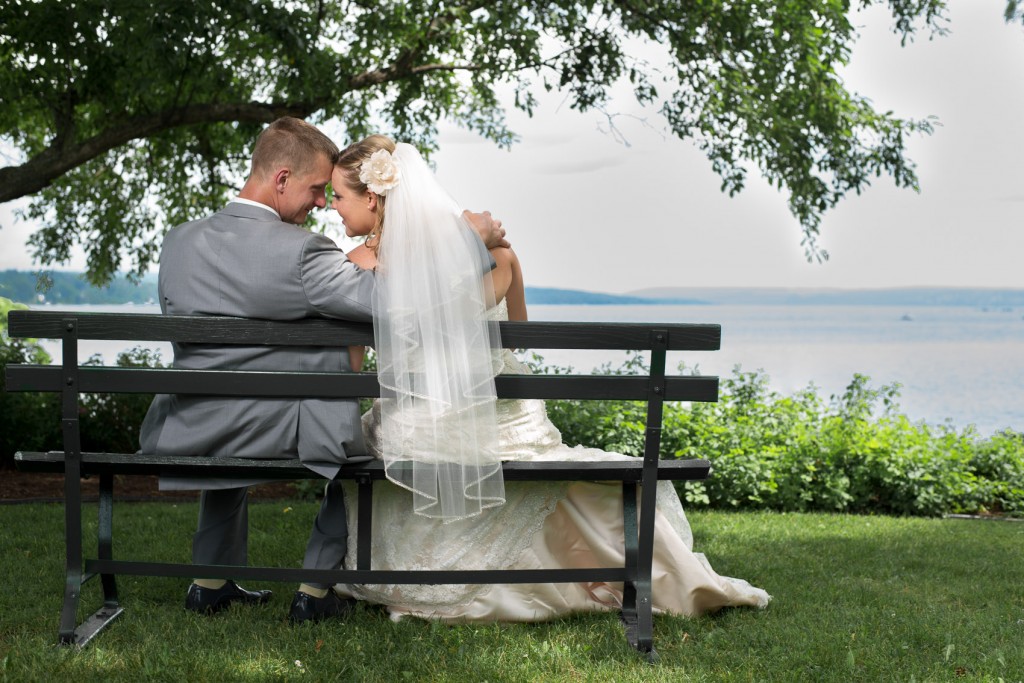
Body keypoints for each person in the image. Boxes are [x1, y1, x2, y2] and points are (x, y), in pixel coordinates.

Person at [329, 136, 771, 622]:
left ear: (372, 198)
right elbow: (515, 339)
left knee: (381, 434)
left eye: (339, 197)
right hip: (508, 420)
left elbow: (354, 368)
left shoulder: (359, 268)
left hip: (417, 429)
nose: (334, 209)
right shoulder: (500, 255)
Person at [138, 118, 508, 624]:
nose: (319, 205)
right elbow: (398, 303)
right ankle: (315, 589)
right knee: (349, 434)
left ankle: (209, 583)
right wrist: (468, 240)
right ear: (282, 178)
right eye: (316, 190)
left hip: (190, 425)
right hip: (276, 429)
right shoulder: (303, 253)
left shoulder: (178, 243)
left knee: (257, 418)